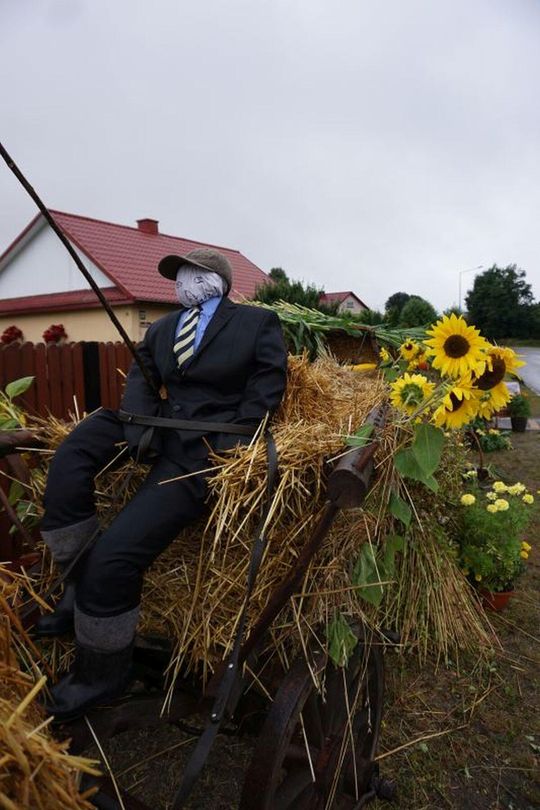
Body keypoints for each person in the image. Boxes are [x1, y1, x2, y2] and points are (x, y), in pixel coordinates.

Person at [37, 248, 287, 720]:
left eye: (193, 274)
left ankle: (102, 675)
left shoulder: (257, 323)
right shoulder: (162, 328)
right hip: (155, 426)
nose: (183, 282)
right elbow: (143, 376)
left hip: (204, 447)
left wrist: (232, 446)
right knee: (75, 450)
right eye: (179, 276)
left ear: (219, 280)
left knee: (117, 556)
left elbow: (267, 386)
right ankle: (76, 580)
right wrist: (137, 428)